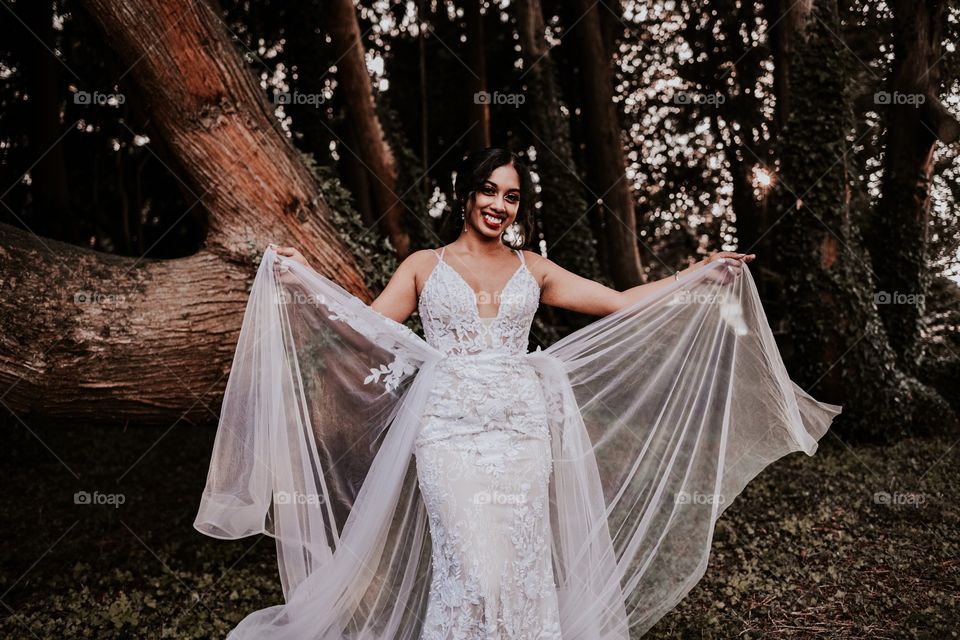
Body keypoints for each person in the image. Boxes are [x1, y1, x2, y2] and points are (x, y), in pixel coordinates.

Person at [195, 148, 840, 639]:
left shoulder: (534, 268)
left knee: (520, 566)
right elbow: (366, 324)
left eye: (511, 196)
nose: (499, 206)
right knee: (471, 565)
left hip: (522, 434)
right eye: (488, 191)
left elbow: (618, 303)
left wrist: (702, 274)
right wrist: (298, 279)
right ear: (466, 194)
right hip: (447, 431)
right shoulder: (423, 265)